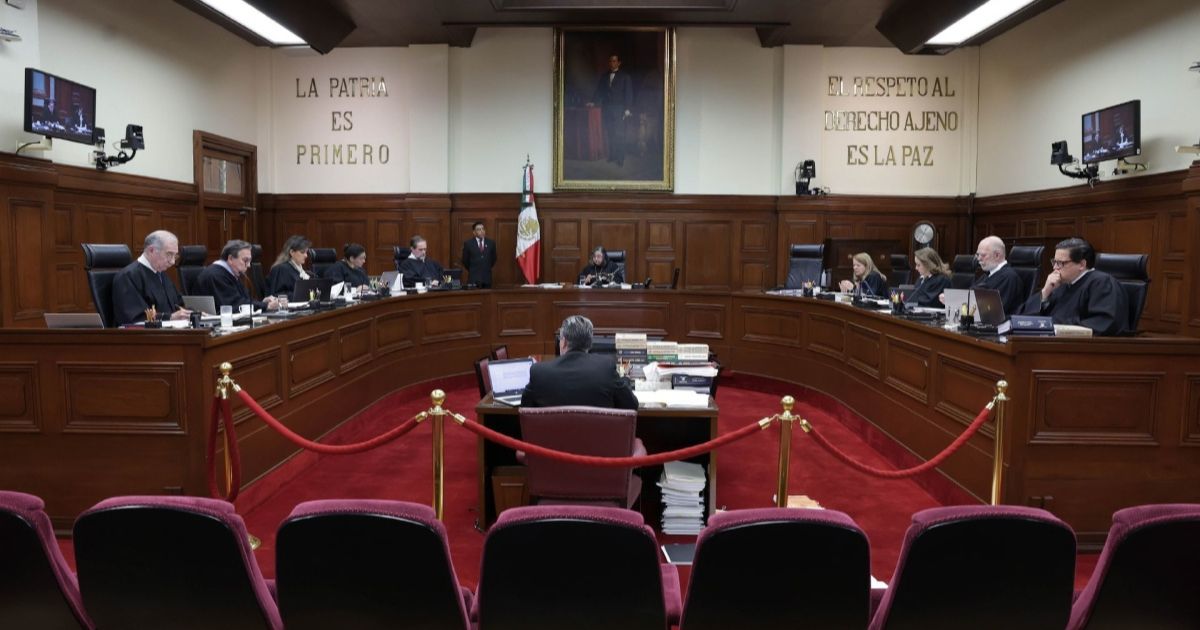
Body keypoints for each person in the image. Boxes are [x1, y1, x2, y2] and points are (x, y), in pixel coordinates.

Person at [521, 315, 638, 409]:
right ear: (590, 343)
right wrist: (625, 378)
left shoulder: (539, 372)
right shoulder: (606, 368)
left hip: (551, 432)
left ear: (564, 342)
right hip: (596, 432)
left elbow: (525, 407)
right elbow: (631, 405)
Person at [1017, 237, 1129, 335]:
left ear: (1081, 264)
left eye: (1061, 263)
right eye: (1054, 262)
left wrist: (1054, 326)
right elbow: (1023, 319)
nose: (1055, 268)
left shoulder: (1102, 283)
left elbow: (1104, 323)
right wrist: (1045, 292)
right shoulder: (1062, 285)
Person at [111, 230, 191, 325]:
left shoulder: (161, 274)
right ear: (151, 250)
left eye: (175, 256)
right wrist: (170, 317)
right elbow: (134, 318)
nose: (173, 261)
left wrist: (193, 314)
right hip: (144, 333)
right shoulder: (127, 277)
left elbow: (178, 304)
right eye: (169, 254)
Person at [196, 239, 278, 311]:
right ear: (231, 259)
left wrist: (262, 302)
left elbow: (243, 300)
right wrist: (265, 306)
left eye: (250, 261)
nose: (249, 265)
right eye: (245, 260)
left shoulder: (231, 273)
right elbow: (234, 305)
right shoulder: (216, 275)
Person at [588, 54, 634, 166]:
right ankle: (612, 156)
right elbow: (599, 91)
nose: (612, 63)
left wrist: (627, 109)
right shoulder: (604, 76)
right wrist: (593, 102)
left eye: (614, 61)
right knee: (610, 132)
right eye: (610, 61)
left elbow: (628, 93)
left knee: (619, 134)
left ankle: (620, 158)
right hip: (607, 108)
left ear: (619, 63)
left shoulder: (625, 76)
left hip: (619, 109)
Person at [971, 235, 1025, 315]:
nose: (979, 259)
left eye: (983, 255)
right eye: (977, 255)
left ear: (997, 255)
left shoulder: (1009, 277)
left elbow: (994, 310)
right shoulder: (987, 274)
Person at [461, 221, 497, 288]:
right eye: (479, 229)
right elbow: (465, 261)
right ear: (474, 232)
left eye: (483, 229)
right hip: (473, 279)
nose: (482, 231)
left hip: (487, 279)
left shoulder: (491, 243)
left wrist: (485, 266)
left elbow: (493, 259)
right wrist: (474, 268)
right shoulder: (468, 244)